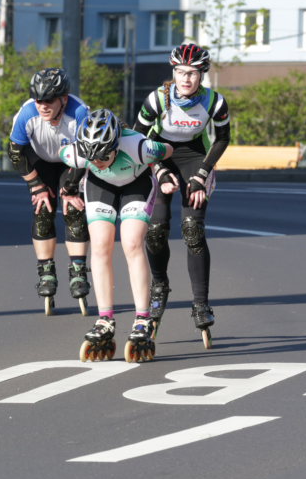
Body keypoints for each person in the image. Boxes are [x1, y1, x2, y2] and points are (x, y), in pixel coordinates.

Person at [58, 109, 175, 363]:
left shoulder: (138, 146)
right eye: (91, 156)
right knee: (100, 246)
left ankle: (143, 319)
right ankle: (105, 320)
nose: (97, 160)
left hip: (137, 182)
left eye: (103, 155)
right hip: (101, 185)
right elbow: (65, 161)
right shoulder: (74, 153)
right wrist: (68, 189)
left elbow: (168, 150)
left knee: (132, 243)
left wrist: (161, 169)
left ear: (115, 145)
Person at [134, 43, 230, 349]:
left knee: (192, 230)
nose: (185, 78)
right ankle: (159, 285)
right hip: (158, 154)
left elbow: (223, 138)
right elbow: (136, 139)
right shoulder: (157, 99)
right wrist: (160, 170)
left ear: (202, 74)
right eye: (180, 72)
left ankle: (201, 302)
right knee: (156, 230)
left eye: (192, 73)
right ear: (173, 72)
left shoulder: (214, 101)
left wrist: (201, 175)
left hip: (195, 157)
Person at [7, 68, 91, 315]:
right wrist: (36, 185)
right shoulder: (26, 114)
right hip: (39, 159)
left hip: (72, 160)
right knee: (43, 211)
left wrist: (71, 188)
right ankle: (46, 272)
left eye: (49, 100)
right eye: (38, 100)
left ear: (63, 99)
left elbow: (88, 152)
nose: (43, 106)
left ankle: (78, 271)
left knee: (74, 210)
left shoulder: (79, 113)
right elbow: (15, 153)